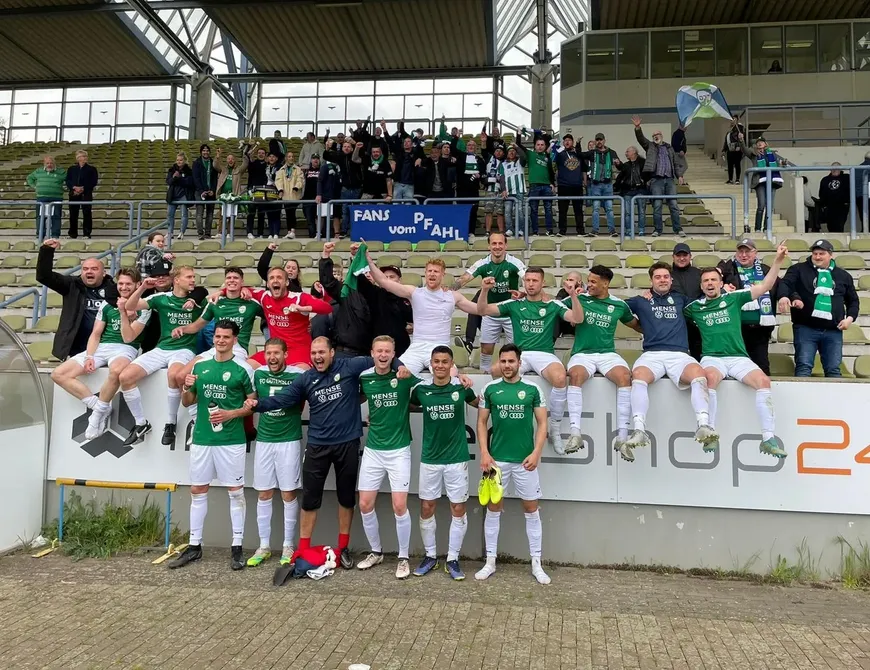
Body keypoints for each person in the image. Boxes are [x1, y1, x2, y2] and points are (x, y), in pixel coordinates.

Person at [245, 336, 407, 570]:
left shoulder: (350, 366)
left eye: (322, 352)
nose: (318, 357)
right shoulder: (306, 379)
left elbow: (382, 357)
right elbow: (282, 399)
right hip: (318, 446)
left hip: (347, 444)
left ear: (332, 353)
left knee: (345, 498)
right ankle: (302, 549)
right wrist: (257, 405)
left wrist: (400, 366)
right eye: (313, 353)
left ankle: (342, 549)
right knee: (310, 500)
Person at [683, 245, 790, 458]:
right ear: (701, 286)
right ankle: (709, 433)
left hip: (739, 357)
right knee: (709, 379)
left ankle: (768, 438)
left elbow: (767, 285)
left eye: (714, 280)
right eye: (706, 281)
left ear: (722, 283)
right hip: (713, 358)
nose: (710, 283)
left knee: (764, 382)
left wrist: (778, 260)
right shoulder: (693, 308)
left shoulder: (734, 298)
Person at [168, 320, 256, 571]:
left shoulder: (243, 369)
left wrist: (232, 413)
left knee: (235, 492)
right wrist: (185, 387)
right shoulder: (201, 366)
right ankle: (195, 546)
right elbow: (187, 402)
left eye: (226, 337)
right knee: (197, 490)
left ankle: (237, 547)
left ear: (234, 340)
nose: (220, 341)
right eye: (217, 336)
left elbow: (252, 404)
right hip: (203, 439)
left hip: (231, 441)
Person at [477, 268, 584, 454]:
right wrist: (485, 290)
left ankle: (555, 429)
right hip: (521, 354)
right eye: (528, 280)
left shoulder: (553, 305)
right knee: (495, 370)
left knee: (560, 378)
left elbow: (577, 318)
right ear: (523, 282)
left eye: (535, 280)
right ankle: (502, 417)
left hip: (544, 353)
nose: (531, 284)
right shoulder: (515, 304)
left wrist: (573, 295)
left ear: (543, 283)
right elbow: (483, 310)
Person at [622, 263, 716, 461]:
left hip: (679, 354)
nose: (662, 279)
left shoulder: (681, 299)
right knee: (638, 376)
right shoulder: (640, 301)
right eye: (658, 277)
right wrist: (636, 326)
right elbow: (616, 307)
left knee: (699, 374)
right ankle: (639, 429)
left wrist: (724, 289)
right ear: (651, 281)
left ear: (671, 280)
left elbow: (706, 303)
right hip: (652, 354)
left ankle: (703, 425)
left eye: (666, 276)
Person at [476, 344, 551, 585]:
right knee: (493, 509)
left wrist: (537, 452)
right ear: (499, 363)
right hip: (496, 463)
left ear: (519, 363)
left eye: (511, 361)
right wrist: (485, 453)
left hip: (525, 462)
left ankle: (536, 563)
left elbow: (541, 424)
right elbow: (481, 423)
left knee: (531, 509)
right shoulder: (490, 389)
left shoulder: (532, 389)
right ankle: (490, 562)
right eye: (503, 361)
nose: (507, 366)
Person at [50, 268, 150, 438]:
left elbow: (128, 338)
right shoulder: (107, 303)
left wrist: (123, 313)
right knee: (58, 374)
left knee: (117, 371)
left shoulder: (144, 306)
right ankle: (99, 406)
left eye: (128, 284)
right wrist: (90, 356)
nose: (124, 287)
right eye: (121, 283)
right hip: (103, 346)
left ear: (137, 285)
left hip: (126, 347)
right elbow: (96, 334)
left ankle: (96, 417)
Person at [170, 266, 264, 444]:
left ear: (242, 282)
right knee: (181, 376)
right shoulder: (216, 303)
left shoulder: (251, 304)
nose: (232, 281)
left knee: (225, 382)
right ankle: (196, 420)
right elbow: (197, 325)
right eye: (229, 278)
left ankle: (244, 426)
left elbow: (271, 306)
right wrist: (183, 328)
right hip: (215, 348)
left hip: (237, 349)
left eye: (236, 278)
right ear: (225, 281)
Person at [409, 346, 478, 580]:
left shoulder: (461, 387)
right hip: (430, 458)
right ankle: (430, 556)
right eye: (436, 361)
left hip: (457, 458)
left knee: (457, 508)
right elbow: (403, 405)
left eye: (444, 361)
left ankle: (453, 559)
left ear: (451, 365)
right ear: (431, 364)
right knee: (427, 506)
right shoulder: (420, 389)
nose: (440, 365)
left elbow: (480, 403)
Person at [117, 266, 204, 447]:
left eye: (194, 277)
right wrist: (142, 288)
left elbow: (211, 296)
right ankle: (141, 423)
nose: (193, 280)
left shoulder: (198, 299)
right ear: (176, 280)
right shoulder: (160, 298)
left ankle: (170, 423)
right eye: (189, 277)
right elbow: (129, 306)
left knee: (173, 375)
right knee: (124, 377)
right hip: (162, 348)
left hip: (185, 349)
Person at [356, 336, 421, 579]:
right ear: (372, 353)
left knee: (399, 505)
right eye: (379, 351)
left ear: (394, 354)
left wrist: (461, 378)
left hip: (399, 450)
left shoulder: (405, 376)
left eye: (388, 351)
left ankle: (403, 557)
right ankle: (376, 552)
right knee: (364, 504)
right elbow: (358, 399)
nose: (383, 355)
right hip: (373, 449)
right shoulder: (364, 377)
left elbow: (433, 383)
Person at [563, 265, 637, 456]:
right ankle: (575, 433)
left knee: (625, 376)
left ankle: (622, 438)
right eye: (588, 281)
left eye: (593, 282)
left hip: (607, 354)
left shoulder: (619, 305)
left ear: (606, 283)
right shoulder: (579, 298)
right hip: (582, 353)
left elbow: (635, 324)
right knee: (576, 374)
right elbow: (551, 305)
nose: (589, 285)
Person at [245, 338, 306, 568]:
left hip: (288, 440)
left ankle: (288, 544)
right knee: (264, 493)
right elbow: (249, 399)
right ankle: (263, 546)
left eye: (277, 353)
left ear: (285, 354)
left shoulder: (297, 375)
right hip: (265, 440)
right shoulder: (258, 374)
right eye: (269, 353)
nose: (272, 357)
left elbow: (300, 405)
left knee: (288, 493)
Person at [365, 254, 479, 375]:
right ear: (425, 273)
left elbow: (480, 310)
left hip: (440, 348)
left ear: (443, 275)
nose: (432, 273)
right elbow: (383, 281)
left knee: (451, 376)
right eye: (429, 271)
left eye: (436, 271)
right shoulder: (414, 293)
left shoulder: (452, 296)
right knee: (397, 375)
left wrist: (486, 291)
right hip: (417, 348)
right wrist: (369, 260)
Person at [777, 239, 859, 378]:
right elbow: (785, 284)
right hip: (805, 328)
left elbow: (853, 301)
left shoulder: (843, 275)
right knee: (803, 366)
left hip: (833, 330)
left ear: (830, 255)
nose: (818, 257)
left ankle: (833, 400)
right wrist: (785, 296)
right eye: (815, 253)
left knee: (833, 369)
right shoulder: (798, 269)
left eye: (822, 253)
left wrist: (849, 319)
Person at [452, 232, 526, 373]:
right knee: (486, 349)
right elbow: (464, 279)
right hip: (491, 313)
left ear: (506, 245)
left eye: (500, 243)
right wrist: (447, 291)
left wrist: (525, 292)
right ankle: (485, 375)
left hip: (511, 313)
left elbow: (527, 278)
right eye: (494, 243)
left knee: (515, 349)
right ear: (489, 246)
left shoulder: (514, 262)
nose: (497, 247)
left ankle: (516, 378)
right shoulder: (483, 263)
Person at [37, 239, 118, 361]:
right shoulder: (71, 285)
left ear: (104, 273)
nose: (89, 271)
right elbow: (43, 276)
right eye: (85, 269)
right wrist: (47, 251)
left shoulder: (114, 289)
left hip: (106, 347)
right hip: (76, 349)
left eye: (94, 269)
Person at [247, 266, 332, 368]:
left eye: (279, 277)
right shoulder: (264, 296)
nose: (275, 280)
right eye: (272, 278)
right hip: (276, 350)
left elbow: (327, 308)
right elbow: (237, 288)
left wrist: (303, 308)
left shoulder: (299, 297)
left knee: (300, 372)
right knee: (247, 366)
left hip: (299, 350)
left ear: (286, 282)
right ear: (268, 284)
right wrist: (223, 291)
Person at [716, 238, 779, 376]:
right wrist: (723, 288)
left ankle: (763, 396)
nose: (743, 255)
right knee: (737, 366)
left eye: (747, 251)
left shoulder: (765, 270)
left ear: (755, 253)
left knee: (762, 366)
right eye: (740, 251)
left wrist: (788, 297)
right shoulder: (729, 269)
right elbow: (713, 282)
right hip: (737, 329)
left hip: (760, 329)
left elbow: (780, 286)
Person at [632, 116, 686, 238]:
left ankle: (678, 229)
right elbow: (641, 139)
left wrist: (680, 175)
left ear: (661, 136)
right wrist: (637, 128)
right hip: (656, 180)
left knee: (673, 205)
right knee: (657, 205)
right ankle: (658, 230)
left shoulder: (669, 148)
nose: (655, 136)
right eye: (653, 135)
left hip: (670, 179)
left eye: (657, 134)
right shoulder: (650, 146)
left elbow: (676, 163)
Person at [320, 242, 373, 357]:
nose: (368, 275)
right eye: (365, 272)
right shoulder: (348, 292)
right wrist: (326, 256)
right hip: (344, 355)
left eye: (370, 272)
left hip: (370, 357)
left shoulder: (380, 297)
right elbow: (328, 282)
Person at [740, 136, 784, 233]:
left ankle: (767, 228)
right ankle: (758, 228)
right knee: (761, 205)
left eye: (762, 142)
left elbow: (778, 164)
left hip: (772, 181)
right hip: (760, 181)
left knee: (770, 206)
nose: (760, 143)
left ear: (765, 144)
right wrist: (741, 140)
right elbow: (744, 149)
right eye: (758, 142)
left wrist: (783, 163)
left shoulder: (772, 154)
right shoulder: (753, 154)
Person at [582, 133, 621, 237]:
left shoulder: (612, 152)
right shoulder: (592, 153)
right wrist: (577, 144)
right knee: (595, 209)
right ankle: (595, 230)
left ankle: (612, 230)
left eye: (601, 140)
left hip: (608, 184)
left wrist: (618, 163)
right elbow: (580, 155)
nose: (599, 142)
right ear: (595, 141)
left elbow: (620, 167)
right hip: (596, 185)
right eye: (597, 140)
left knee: (609, 209)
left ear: (604, 140)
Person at [670, 242, 703, 360]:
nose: (682, 258)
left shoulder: (699, 273)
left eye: (685, 255)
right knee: (676, 358)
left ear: (690, 256)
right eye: (678, 255)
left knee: (698, 357)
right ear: (673, 257)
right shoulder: (667, 274)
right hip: (675, 323)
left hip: (697, 323)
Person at [324, 140, 363, 237]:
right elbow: (326, 156)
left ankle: (355, 231)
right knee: (345, 211)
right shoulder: (340, 157)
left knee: (356, 211)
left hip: (357, 188)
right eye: (344, 146)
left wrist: (355, 144)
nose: (346, 148)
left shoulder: (356, 156)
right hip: (345, 188)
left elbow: (362, 152)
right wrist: (327, 148)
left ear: (352, 148)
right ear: (342, 148)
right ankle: (344, 231)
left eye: (348, 146)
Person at [517, 133, 554, 235]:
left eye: (542, 145)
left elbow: (551, 171)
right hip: (534, 186)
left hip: (547, 186)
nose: (540, 146)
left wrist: (552, 183)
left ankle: (549, 230)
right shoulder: (530, 154)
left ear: (545, 146)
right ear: (534, 146)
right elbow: (518, 144)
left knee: (548, 209)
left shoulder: (548, 156)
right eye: (538, 144)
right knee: (534, 210)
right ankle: (535, 231)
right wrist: (519, 134)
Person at [553, 133, 586, 236]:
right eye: (565, 140)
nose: (567, 142)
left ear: (572, 142)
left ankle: (580, 231)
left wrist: (578, 143)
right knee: (563, 210)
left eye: (569, 140)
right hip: (564, 186)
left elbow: (584, 166)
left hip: (577, 186)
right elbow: (554, 157)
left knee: (578, 210)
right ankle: (562, 231)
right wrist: (557, 146)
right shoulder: (561, 154)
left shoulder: (578, 154)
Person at [451, 137, 485, 236]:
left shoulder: (479, 160)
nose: (471, 147)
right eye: (469, 145)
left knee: (473, 212)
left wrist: (480, 176)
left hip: (473, 190)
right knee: (461, 212)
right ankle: (462, 232)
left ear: (476, 148)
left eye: (473, 145)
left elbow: (483, 174)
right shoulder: (461, 156)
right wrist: (456, 137)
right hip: (461, 190)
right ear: (466, 147)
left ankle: (471, 232)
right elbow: (452, 148)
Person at [26, 156, 66, 238]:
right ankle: (40, 234)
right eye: (47, 163)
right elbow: (29, 178)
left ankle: (55, 235)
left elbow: (69, 181)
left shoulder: (61, 172)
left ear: (54, 164)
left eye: (51, 163)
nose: (49, 165)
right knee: (40, 217)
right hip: (41, 197)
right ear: (44, 163)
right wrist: (34, 186)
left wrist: (65, 187)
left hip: (56, 197)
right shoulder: (38, 171)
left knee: (56, 217)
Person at [65, 150, 99, 240]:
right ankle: (72, 233)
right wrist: (74, 187)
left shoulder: (92, 169)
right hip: (74, 193)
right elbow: (68, 180)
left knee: (87, 213)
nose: (84, 158)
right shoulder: (71, 169)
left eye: (85, 156)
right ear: (78, 158)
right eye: (82, 156)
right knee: (73, 214)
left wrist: (83, 188)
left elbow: (93, 181)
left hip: (86, 193)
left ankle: (86, 233)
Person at [614, 146, 647, 236]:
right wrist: (617, 164)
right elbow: (621, 169)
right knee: (627, 213)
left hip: (640, 190)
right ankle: (628, 230)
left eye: (627, 151)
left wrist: (644, 180)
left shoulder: (643, 163)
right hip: (627, 191)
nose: (626, 153)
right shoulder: (626, 165)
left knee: (642, 211)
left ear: (634, 152)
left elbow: (648, 174)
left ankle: (641, 230)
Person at [498, 144, 527, 237]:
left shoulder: (520, 162)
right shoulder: (502, 164)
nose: (511, 152)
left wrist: (517, 147)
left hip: (519, 191)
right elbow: (502, 178)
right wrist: (503, 190)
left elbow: (523, 155)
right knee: (507, 211)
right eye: (510, 151)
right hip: (508, 192)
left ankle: (521, 229)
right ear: (507, 153)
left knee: (519, 210)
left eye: (514, 151)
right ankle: (509, 229)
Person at [165, 152, 194, 239]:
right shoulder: (172, 170)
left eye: (181, 160)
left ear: (185, 161)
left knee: (184, 214)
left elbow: (189, 183)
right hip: (173, 195)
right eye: (177, 160)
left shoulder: (189, 171)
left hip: (183, 195)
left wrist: (180, 178)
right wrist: (174, 177)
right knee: (170, 215)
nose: (179, 162)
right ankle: (170, 232)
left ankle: (182, 232)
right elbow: (168, 182)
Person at [275, 151, 303, 239]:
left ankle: (293, 231)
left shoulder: (298, 169)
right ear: (286, 158)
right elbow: (278, 180)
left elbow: (300, 179)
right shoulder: (281, 170)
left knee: (292, 213)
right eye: (289, 156)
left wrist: (296, 187)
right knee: (288, 213)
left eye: (292, 156)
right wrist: (280, 189)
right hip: (285, 195)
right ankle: (289, 232)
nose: (291, 158)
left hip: (294, 195)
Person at [192, 144, 218, 241]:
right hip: (199, 192)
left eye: (207, 150)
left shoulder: (212, 162)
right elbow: (196, 178)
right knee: (199, 213)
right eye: (204, 150)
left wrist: (213, 190)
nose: (205, 152)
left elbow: (215, 178)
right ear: (201, 152)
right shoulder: (196, 163)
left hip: (211, 192)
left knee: (210, 213)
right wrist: (202, 191)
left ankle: (208, 233)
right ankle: (200, 233)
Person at [818, 164, 851, 234]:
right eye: (833, 168)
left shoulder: (847, 178)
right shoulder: (825, 180)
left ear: (841, 169)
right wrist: (823, 205)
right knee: (830, 226)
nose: (835, 170)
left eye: (837, 168)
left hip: (842, 206)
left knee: (839, 225)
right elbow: (821, 194)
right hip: (829, 207)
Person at [481, 141, 505, 235]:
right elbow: (483, 151)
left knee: (500, 212)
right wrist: (483, 141)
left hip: (500, 190)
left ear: (503, 153)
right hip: (490, 189)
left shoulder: (505, 162)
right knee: (488, 211)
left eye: (500, 151)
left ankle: (501, 231)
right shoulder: (489, 158)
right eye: (496, 151)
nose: (498, 152)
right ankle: (487, 231)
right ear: (494, 152)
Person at [391, 136, 422, 202]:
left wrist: (420, 159)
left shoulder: (416, 154)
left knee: (408, 207)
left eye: (408, 141)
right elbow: (390, 142)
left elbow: (426, 158)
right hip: (398, 183)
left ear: (412, 144)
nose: (406, 143)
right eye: (405, 141)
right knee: (396, 206)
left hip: (410, 185)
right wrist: (384, 130)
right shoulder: (399, 153)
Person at [302, 154, 322, 239]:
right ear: (311, 160)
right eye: (314, 158)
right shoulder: (306, 171)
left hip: (319, 198)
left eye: (317, 158)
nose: (315, 160)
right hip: (307, 198)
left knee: (320, 219)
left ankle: (320, 235)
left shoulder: (322, 170)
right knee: (310, 220)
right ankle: (312, 236)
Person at [722, 115, 746, 185]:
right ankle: (730, 179)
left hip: (737, 149)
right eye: (731, 120)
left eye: (734, 119)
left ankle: (737, 179)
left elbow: (741, 136)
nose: (732, 121)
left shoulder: (739, 128)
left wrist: (739, 145)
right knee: (730, 165)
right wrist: (724, 150)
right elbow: (726, 141)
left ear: (737, 120)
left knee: (737, 164)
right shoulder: (729, 131)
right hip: (730, 149)